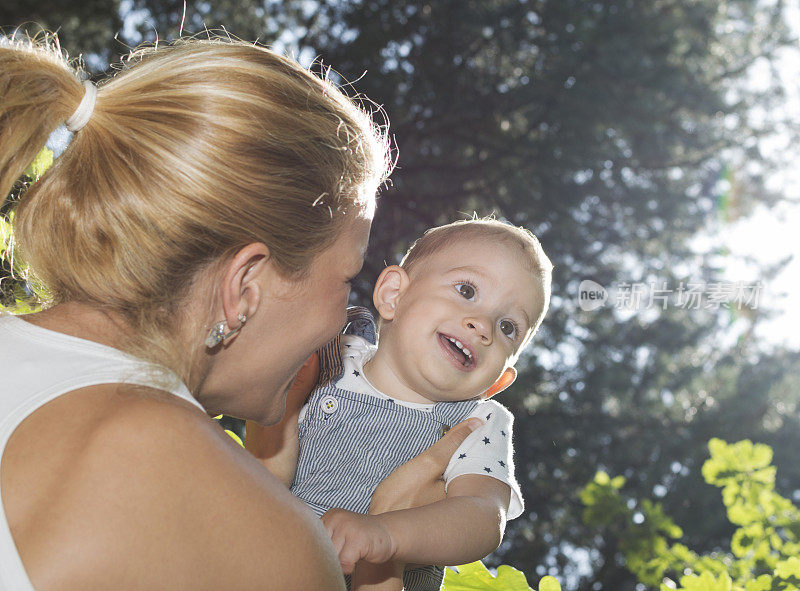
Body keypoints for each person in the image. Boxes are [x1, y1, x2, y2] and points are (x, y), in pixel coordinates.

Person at [0, 33, 475, 590]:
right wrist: (385, 563)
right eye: (347, 279)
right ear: (245, 284)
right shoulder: (265, 543)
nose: (344, 323)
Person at [249, 218, 552, 590]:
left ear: (499, 381)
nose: (483, 325)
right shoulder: (330, 355)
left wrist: (389, 536)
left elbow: (483, 516)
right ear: (394, 295)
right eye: (467, 290)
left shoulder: (476, 422)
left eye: (508, 327)